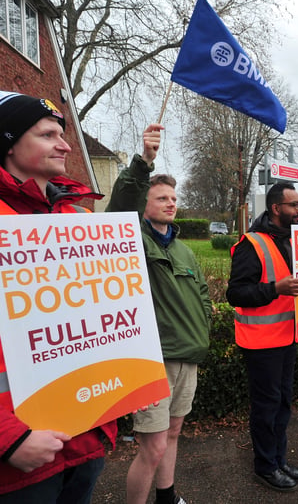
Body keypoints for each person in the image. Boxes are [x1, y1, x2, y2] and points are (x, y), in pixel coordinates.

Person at [0, 91, 117, 502]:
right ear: (9, 142)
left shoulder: (81, 219)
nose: (65, 144)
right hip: (18, 457)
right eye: (48, 134)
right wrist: (7, 438)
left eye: (62, 134)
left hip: (85, 440)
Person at [106, 124, 212, 504]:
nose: (171, 203)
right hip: (152, 361)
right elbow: (120, 207)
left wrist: (203, 333)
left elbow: (202, 297)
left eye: (174, 197)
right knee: (150, 449)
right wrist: (144, 163)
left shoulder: (183, 251)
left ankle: (167, 497)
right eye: (162, 197)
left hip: (188, 357)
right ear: (145, 205)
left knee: (171, 436)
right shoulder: (131, 240)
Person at [226, 182, 298, 492]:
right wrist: (275, 289)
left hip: (288, 337)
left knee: (283, 403)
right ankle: (265, 466)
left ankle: (278, 459)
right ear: (276, 209)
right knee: (266, 406)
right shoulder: (252, 243)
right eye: (294, 205)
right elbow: (235, 293)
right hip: (261, 342)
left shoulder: (297, 241)